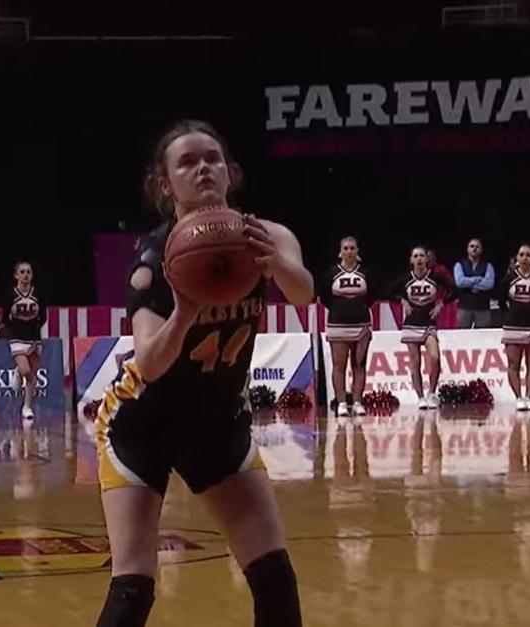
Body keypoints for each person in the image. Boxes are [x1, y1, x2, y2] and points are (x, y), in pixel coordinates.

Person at [94, 120, 311, 627]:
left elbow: (303, 294)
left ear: (230, 171)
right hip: (142, 424)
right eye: (187, 162)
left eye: (212, 158)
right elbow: (150, 364)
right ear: (165, 185)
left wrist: (277, 265)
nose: (203, 168)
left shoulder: (267, 236)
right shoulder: (154, 259)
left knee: (275, 578)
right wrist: (184, 313)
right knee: (133, 587)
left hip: (217, 422)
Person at [388, 246, 456, 409]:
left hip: (428, 323)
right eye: (416, 256)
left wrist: (441, 303)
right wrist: (402, 301)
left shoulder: (435, 277)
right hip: (411, 324)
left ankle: (431, 393)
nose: (419, 259)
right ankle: (420, 397)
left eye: (421, 256)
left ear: (427, 259)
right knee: (415, 362)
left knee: (435, 357)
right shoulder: (406, 278)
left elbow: (455, 290)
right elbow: (387, 291)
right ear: (411, 260)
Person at [320, 236, 373, 417]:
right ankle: (341, 402)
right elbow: (324, 297)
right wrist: (339, 308)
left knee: (359, 365)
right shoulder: (332, 273)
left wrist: (358, 307)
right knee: (339, 365)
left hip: (362, 324)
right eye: (346, 248)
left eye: (352, 248)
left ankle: (357, 402)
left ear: (357, 251)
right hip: (338, 324)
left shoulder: (365, 273)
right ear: (340, 252)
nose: (349, 251)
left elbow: (372, 295)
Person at [498, 243, 530, 411]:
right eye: (521, 254)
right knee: (514, 364)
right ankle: (518, 397)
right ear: (517, 258)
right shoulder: (509, 278)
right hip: (513, 326)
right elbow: (501, 301)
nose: (525, 258)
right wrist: (510, 315)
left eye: (528, 255)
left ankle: (529, 397)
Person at [0, 260, 47, 419]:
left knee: (31, 373)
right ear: (16, 275)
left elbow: (43, 316)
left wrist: (34, 327)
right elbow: (5, 317)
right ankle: (20, 372)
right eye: (22, 272)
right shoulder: (11, 295)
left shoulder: (37, 294)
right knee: (26, 371)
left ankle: (27, 406)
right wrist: (15, 328)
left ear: (32, 275)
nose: (25, 275)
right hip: (17, 337)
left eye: (28, 272)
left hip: (33, 337)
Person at [453, 238, 496, 328]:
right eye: (472, 246)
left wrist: (469, 283)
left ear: (481, 250)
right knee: (461, 333)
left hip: (483, 307)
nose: (474, 249)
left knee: (483, 334)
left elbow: (489, 284)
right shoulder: (459, 264)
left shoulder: (488, 265)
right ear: (467, 249)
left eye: (477, 247)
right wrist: (477, 279)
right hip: (464, 307)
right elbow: (460, 282)